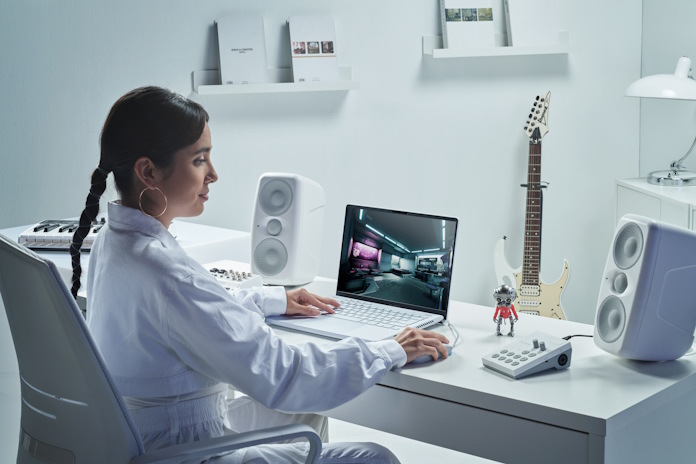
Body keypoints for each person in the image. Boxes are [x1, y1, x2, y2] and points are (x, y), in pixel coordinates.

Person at [70, 86, 450, 463]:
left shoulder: (112, 242)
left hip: (146, 438)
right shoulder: (165, 271)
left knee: (307, 415)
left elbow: (192, 314)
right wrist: (390, 349)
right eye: (200, 160)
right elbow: (287, 375)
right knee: (373, 457)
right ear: (148, 171)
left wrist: (272, 298)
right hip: (186, 450)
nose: (214, 174)